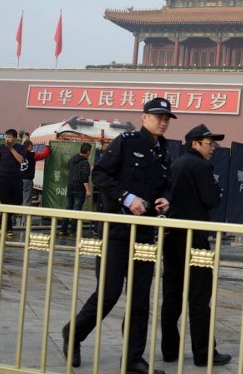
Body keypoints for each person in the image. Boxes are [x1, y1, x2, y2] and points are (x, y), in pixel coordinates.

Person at [62, 98, 174, 374]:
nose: (162, 121)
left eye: (167, 117)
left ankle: (134, 358)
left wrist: (164, 199)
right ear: (144, 116)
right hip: (117, 231)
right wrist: (127, 197)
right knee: (108, 294)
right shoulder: (126, 141)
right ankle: (73, 334)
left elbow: (166, 185)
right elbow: (100, 175)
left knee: (140, 299)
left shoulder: (164, 150)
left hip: (145, 234)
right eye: (157, 116)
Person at [161, 124, 232, 367]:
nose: (212, 148)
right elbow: (210, 199)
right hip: (195, 237)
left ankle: (169, 349)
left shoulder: (176, 163)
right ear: (194, 143)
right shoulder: (201, 166)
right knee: (200, 296)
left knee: (172, 294)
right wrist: (218, 193)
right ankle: (203, 352)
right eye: (208, 143)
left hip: (172, 235)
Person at [0, 129, 26, 238]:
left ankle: (0, 219)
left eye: (10, 137)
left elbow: (21, 160)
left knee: (18, 201)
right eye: (6, 137)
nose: (7, 139)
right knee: (5, 203)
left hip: (16, 178)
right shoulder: (1, 148)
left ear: (15, 138)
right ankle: (9, 228)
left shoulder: (20, 148)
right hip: (3, 178)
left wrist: (11, 148)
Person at [58, 143, 92, 236]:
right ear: (88, 152)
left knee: (68, 208)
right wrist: (88, 190)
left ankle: (62, 229)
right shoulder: (85, 162)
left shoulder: (72, 158)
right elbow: (84, 177)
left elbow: (69, 168)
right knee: (76, 210)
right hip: (79, 188)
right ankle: (73, 231)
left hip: (70, 186)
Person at [20, 140, 51, 207]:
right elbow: (43, 155)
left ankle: (12, 217)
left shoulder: (18, 153)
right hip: (27, 180)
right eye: (32, 147)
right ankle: (25, 217)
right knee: (27, 200)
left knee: (16, 199)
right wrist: (47, 147)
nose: (32, 149)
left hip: (17, 179)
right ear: (29, 146)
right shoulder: (31, 154)